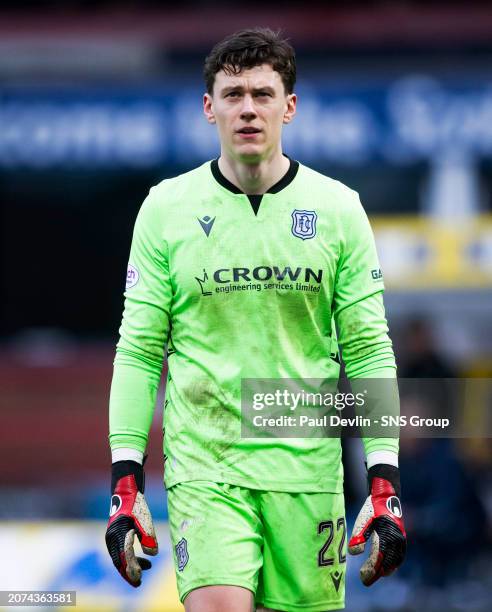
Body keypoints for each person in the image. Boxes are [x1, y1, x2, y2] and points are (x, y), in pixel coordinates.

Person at [105, 28, 406, 612]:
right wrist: (125, 478)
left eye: (263, 94)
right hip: (206, 466)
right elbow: (139, 351)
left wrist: (384, 479)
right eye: (233, 93)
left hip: (309, 473)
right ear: (208, 107)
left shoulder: (339, 209)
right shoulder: (166, 208)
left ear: (288, 107)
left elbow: (368, 350)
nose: (248, 107)